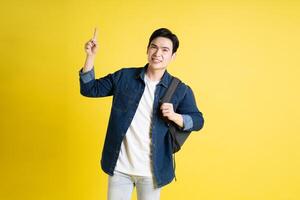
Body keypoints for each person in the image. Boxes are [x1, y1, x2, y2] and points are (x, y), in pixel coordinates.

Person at [79, 27, 204, 200]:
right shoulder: (124, 77)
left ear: (173, 56)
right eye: (154, 47)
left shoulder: (180, 89)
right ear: (147, 49)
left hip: (152, 171)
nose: (157, 53)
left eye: (165, 50)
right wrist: (90, 56)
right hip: (120, 167)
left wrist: (176, 116)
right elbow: (89, 89)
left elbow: (198, 121)